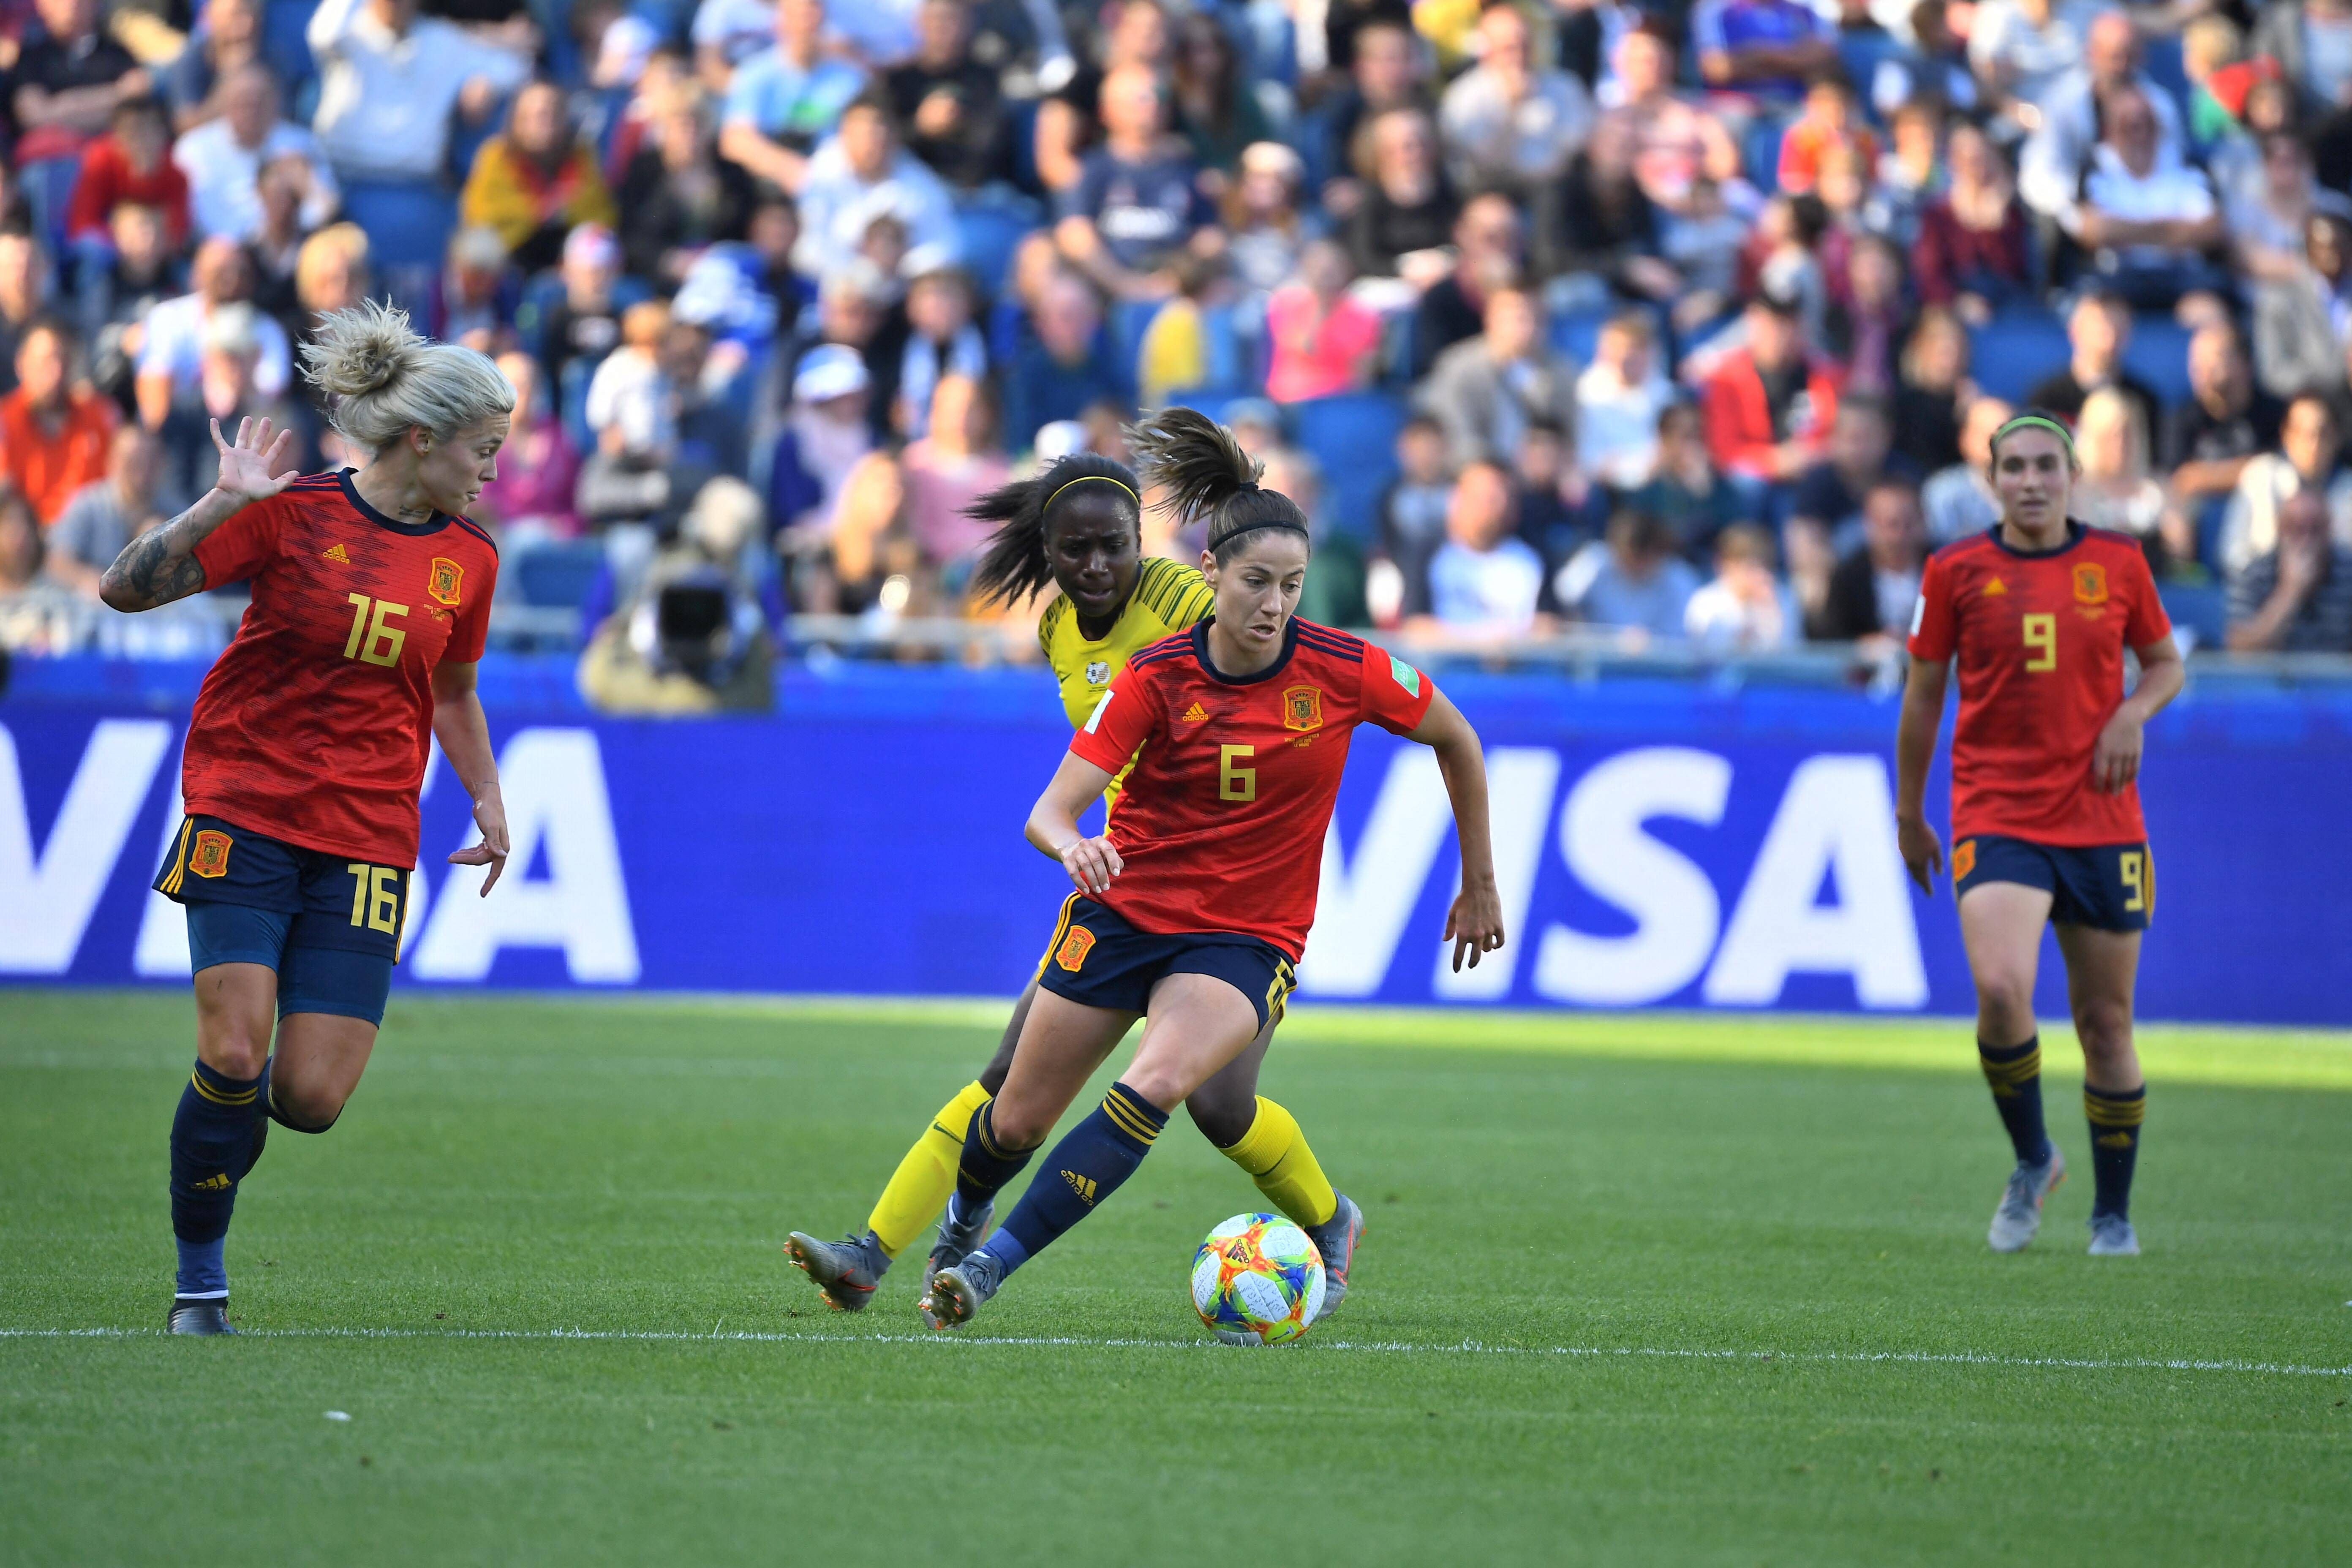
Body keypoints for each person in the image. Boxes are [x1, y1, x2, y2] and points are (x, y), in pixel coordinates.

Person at [917, 408, 1504, 1330]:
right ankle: (961, 1219)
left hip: (1245, 933)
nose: (1274, 605)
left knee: (1154, 1083)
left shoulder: (1344, 669)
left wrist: (1479, 881)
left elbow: (1456, 735)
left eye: (1292, 586)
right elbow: (1052, 807)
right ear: (1211, 576)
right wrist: (1073, 843)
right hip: (1127, 908)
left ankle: (989, 1267)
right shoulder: (1155, 675)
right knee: (1019, 1119)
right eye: (1257, 582)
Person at [783, 444, 1375, 1315]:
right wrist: (1081, 832)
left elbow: (1252, 629)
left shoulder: (1180, 599)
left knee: (1219, 1105)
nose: (1098, 566)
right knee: (1011, 1081)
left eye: (1115, 546)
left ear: (1144, 542)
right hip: (1135, 884)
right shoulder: (1060, 626)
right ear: (1050, 553)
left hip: (1232, 901)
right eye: (1076, 550)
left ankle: (1332, 1217)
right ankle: (876, 1249)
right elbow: (1106, 754)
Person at [96, 300, 515, 1334]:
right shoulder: (291, 513)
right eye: (482, 448)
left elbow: (453, 691)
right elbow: (122, 590)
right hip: (246, 806)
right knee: (234, 1054)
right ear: (421, 437)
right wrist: (215, 503)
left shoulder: (471, 560)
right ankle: (201, 1282)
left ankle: (213, 1148)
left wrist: (488, 796)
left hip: (367, 836)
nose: (491, 471)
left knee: (309, 1099)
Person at [1895, 410, 2185, 1259]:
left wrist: (2133, 711)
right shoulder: (1954, 570)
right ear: (1992, 479)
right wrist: (1911, 815)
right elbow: (1921, 697)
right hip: (1998, 810)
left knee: (2105, 1021)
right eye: (2014, 466)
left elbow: (2167, 663)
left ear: (2072, 475)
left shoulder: (2119, 562)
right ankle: (2033, 1157)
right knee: (2000, 986)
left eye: (2046, 465)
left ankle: (2113, 1215)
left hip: (2101, 814)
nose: (2031, 480)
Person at [459, 80, 622, 275]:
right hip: (512, 255)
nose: (544, 122)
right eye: (535, 116)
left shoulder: (581, 155)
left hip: (568, 258)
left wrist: (567, 209)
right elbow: (481, 215)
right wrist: (541, 208)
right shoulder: (496, 156)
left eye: (552, 113)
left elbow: (600, 214)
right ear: (517, 120)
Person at [172, 65, 340, 244]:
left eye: (260, 103)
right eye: (243, 103)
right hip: (221, 252)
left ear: (276, 104)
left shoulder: (301, 144)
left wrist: (306, 184)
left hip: (289, 250)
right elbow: (193, 220)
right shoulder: (194, 150)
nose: (251, 111)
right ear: (224, 105)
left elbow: (326, 212)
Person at [0, 318, 119, 524]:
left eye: (63, 360)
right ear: (22, 364)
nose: (56, 372)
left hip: (89, 535)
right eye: (46, 361)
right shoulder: (5, 421)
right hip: (25, 536)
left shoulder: (99, 415)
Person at [2225, 488, 2352, 651]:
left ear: (2329, 530)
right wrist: (2290, 592)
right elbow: (2240, 650)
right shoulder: (2254, 574)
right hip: (2271, 675)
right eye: (2296, 529)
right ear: (2280, 531)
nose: (2305, 541)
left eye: (2315, 529)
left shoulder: (2348, 570)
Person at [1684, 521, 1801, 652]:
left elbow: (1790, 655)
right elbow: (1703, 656)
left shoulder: (1783, 597)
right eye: (1752, 567)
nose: (1761, 574)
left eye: (1766, 565)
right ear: (1726, 565)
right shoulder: (1704, 603)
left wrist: (1771, 614)